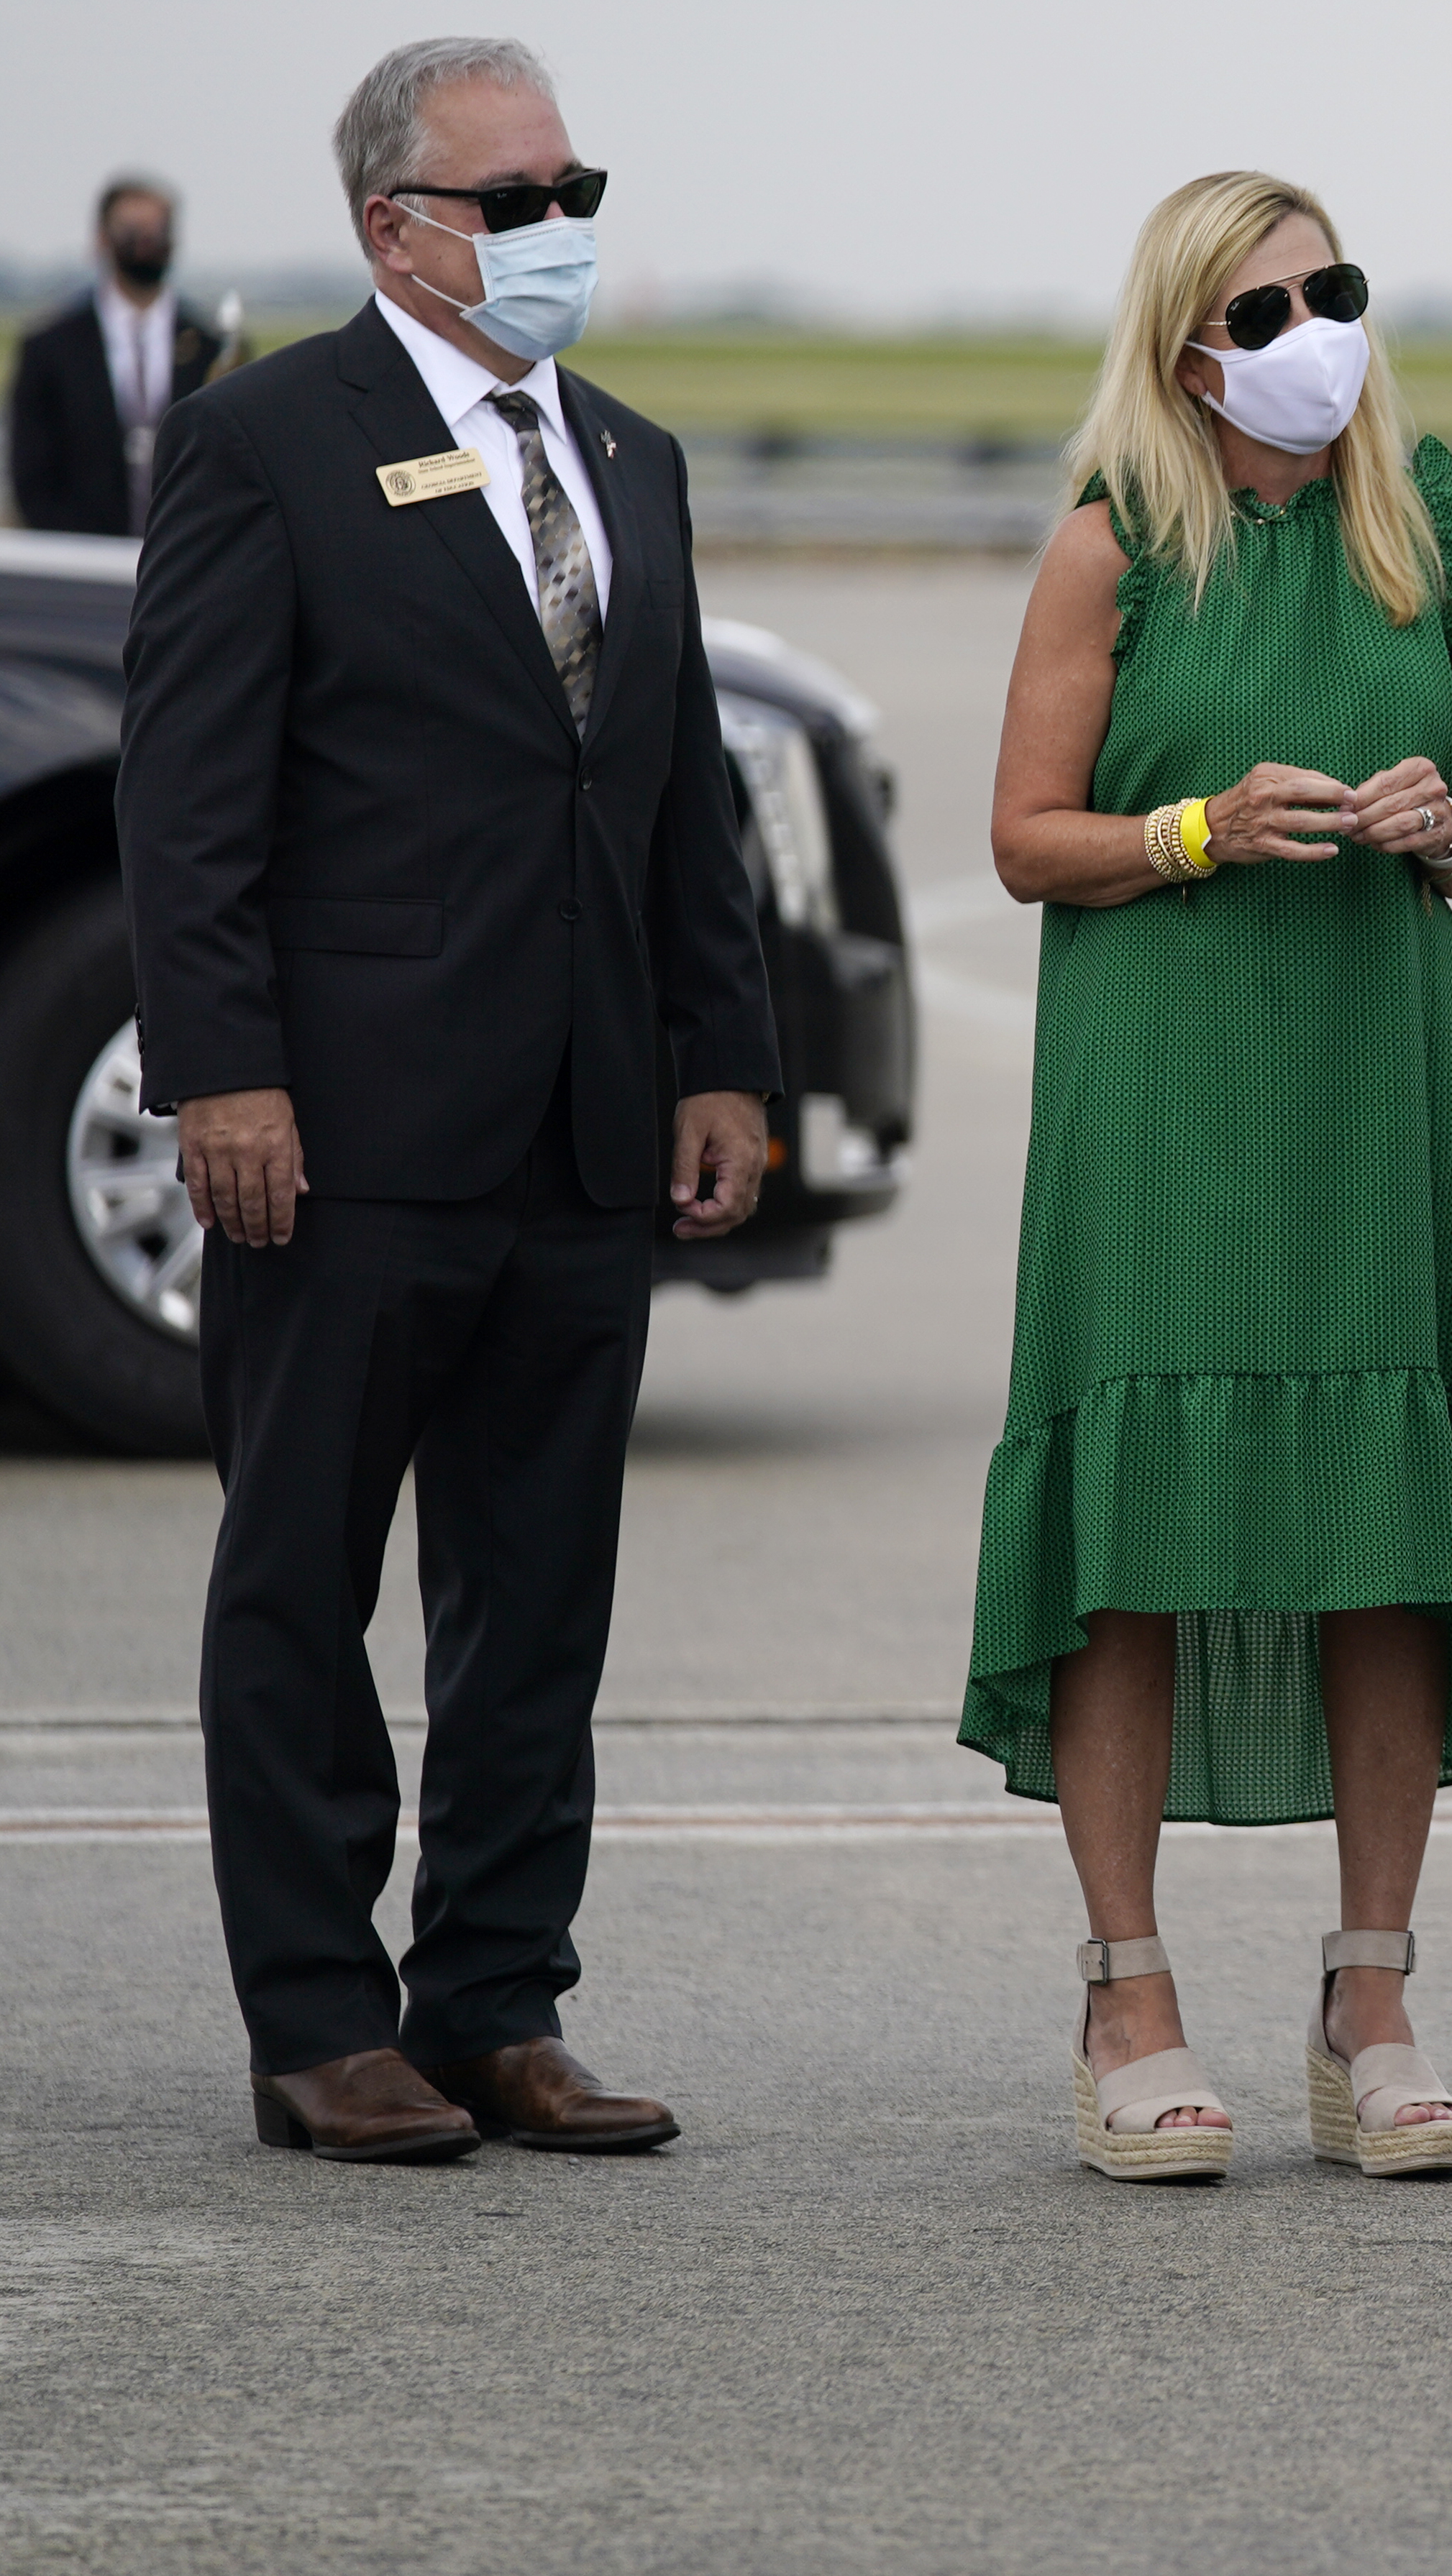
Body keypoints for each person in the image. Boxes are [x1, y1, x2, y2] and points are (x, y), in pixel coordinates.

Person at [118, 38, 780, 2163]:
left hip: (586, 1130)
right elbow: (190, 802)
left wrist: (730, 1060)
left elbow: (680, 800)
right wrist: (222, 1068)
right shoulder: (264, 445)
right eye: (517, 194)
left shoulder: (625, 450)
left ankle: (499, 2000)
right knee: (300, 1582)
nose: (557, 222)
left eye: (575, 181)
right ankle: (320, 2018)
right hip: (351, 1128)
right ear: (393, 224)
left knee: (535, 1599)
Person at [966, 169, 1452, 2186]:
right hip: (1168, 1079)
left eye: (1337, 289)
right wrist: (1193, 827)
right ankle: (1127, 1988)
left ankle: (1369, 1988)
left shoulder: (1434, 516)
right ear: (1187, 344)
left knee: (1387, 1527)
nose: (1315, 328)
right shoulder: (1110, 544)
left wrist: (1438, 831)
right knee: (1136, 1522)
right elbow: (1030, 836)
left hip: (1382, 1068)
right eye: (1268, 303)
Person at [11, 175, 230, 536]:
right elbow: (32, 481)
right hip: (84, 560)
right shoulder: (49, 350)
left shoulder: (213, 349)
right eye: (132, 228)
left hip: (187, 559)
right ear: (101, 239)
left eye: (157, 228)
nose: (146, 240)